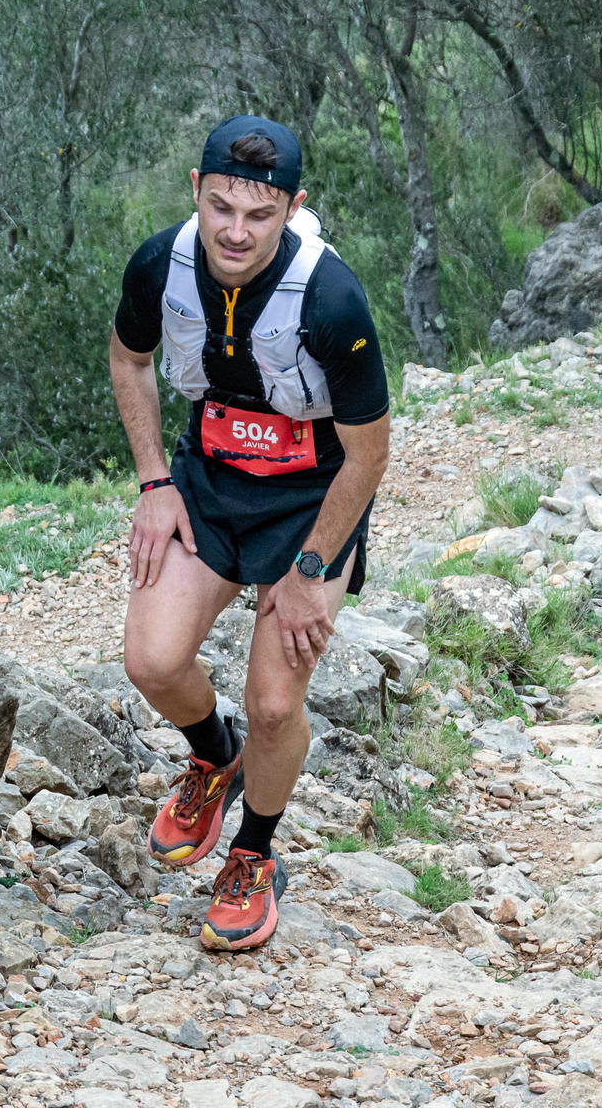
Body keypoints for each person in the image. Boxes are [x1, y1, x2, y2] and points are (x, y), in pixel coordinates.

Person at [108, 115, 390, 951]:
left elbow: (370, 454)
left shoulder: (331, 298)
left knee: (273, 702)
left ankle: (254, 854)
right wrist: (155, 483)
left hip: (311, 495)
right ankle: (213, 756)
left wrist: (310, 570)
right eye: (221, 208)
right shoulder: (160, 265)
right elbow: (128, 359)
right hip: (211, 479)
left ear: (292, 209)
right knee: (152, 661)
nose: (236, 232)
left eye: (260, 215)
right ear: (196, 190)